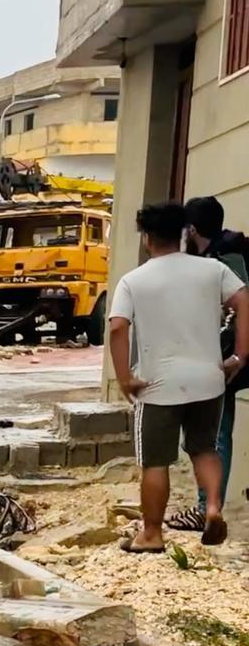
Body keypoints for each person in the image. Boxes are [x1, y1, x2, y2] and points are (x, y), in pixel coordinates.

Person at [108, 201, 249, 552]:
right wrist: (239, 355)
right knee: (204, 448)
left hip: (158, 385)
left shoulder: (133, 280)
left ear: (146, 237)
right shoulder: (212, 270)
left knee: (155, 461)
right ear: (184, 233)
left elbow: (117, 329)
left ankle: (152, 534)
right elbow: (244, 300)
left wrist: (124, 377)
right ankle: (212, 508)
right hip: (209, 379)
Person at [166, 195, 249, 530]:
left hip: (233, 359)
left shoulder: (227, 257)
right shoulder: (222, 252)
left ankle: (206, 509)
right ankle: (206, 506)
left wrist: (236, 357)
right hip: (228, 357)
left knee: (212, 432)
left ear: (192, 229)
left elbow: (243, 306)